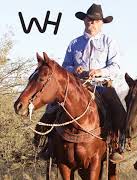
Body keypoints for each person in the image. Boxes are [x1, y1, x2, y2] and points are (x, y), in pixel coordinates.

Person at [34, 3, 127, 163]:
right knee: (52, 106)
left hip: (101, 84)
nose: (92, 22)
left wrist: (99, 71)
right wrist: (74, 69)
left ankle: (119, 145)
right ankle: (48, 144)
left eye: (96, 20)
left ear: (101, 23)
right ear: (84, 21)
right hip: (76, 85)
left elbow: (116, 66)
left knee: (117, 108)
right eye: (89, 19)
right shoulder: (74, 43)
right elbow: (65, 66)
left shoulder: (109, 42)